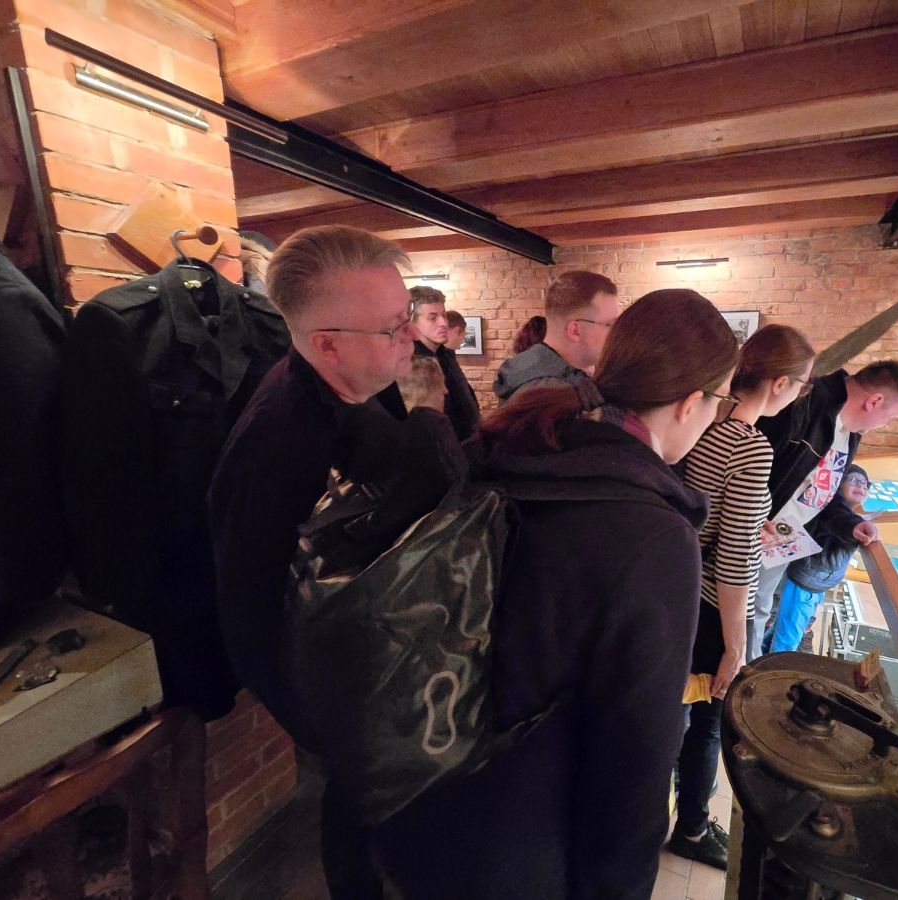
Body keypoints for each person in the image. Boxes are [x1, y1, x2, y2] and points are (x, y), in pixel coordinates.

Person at [369, 289, 740, 900]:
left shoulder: (514, 443)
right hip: (522, 844)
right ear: (690, 402)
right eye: (721, 401)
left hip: (417, 790)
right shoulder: (653, 536)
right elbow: (636, 758)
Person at [208, 226, 462, 899]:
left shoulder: (358, 384)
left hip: (384, 670)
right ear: (326, 343)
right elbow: (250, 609)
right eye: (392, 327)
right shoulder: (278, 447)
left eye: (407, 317)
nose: (411, 338)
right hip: (342, 696)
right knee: (365, 831)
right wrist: (327, 729)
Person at [670, 324, 815, 870]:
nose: (800, 395)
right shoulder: (751, 447)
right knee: (708, 722)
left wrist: (752, 525)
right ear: (780, 384)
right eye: (802, 385)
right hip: (712, 608)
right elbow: (734, 562)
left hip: (677, 588)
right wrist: (737, 645)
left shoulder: (703, 422)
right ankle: (690, 827)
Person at [749, 360, 898, 660]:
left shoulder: (850, 432)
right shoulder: (804, 404)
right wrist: (752, 516)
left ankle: (742, 671)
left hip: (780, 541)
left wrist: (850, 524)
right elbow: (752, 464)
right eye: (891, 416)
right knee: (741, 611)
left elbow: (825, 492)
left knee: (758, 610)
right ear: (874, 401)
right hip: (750, 532)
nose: (886, 424)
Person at [765, 464, 871, 654]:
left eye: (865, 484)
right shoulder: (830, 511)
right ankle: (768, 668)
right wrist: (855, 527)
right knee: (786, 643)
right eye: (854, 480)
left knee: (783, 631)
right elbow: (836, 519)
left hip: (814, 585)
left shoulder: (848, 515)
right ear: (838, 484)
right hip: (804, 585)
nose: (861, 486)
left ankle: (760, 654)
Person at [492, 270, 618, 403]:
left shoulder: (534, 372)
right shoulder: (551, 393)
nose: (615, 334)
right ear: (575, 330)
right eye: (608, 324)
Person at [411, 285, 480, 439]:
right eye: (433, 317)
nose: (443, 323)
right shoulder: (412, 364)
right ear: (413, 323)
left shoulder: (446, 355)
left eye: (443, 315)